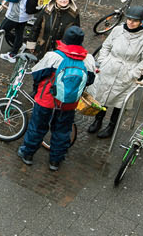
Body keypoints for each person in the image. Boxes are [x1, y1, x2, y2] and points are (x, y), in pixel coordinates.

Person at [17, 25, 97, 171]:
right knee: (62, 131)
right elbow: (90, 80)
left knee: (37, 127)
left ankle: (27, 154)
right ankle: (55, 161)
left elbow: (37, 74)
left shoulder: (53, 56)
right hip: (69, 103)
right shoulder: (88, 60)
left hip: (47, 99)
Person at [86, 6, 143, 140]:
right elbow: (106, 46)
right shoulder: (117, 30)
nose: (131, 22)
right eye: (129, 19)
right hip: (109, 68)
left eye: (135, 21)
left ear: (141, 22)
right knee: (102, 95)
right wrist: (103, 61)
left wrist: (134, 73)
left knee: (120, 101)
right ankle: (98, 120)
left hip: (127, 72)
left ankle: (112, 126)